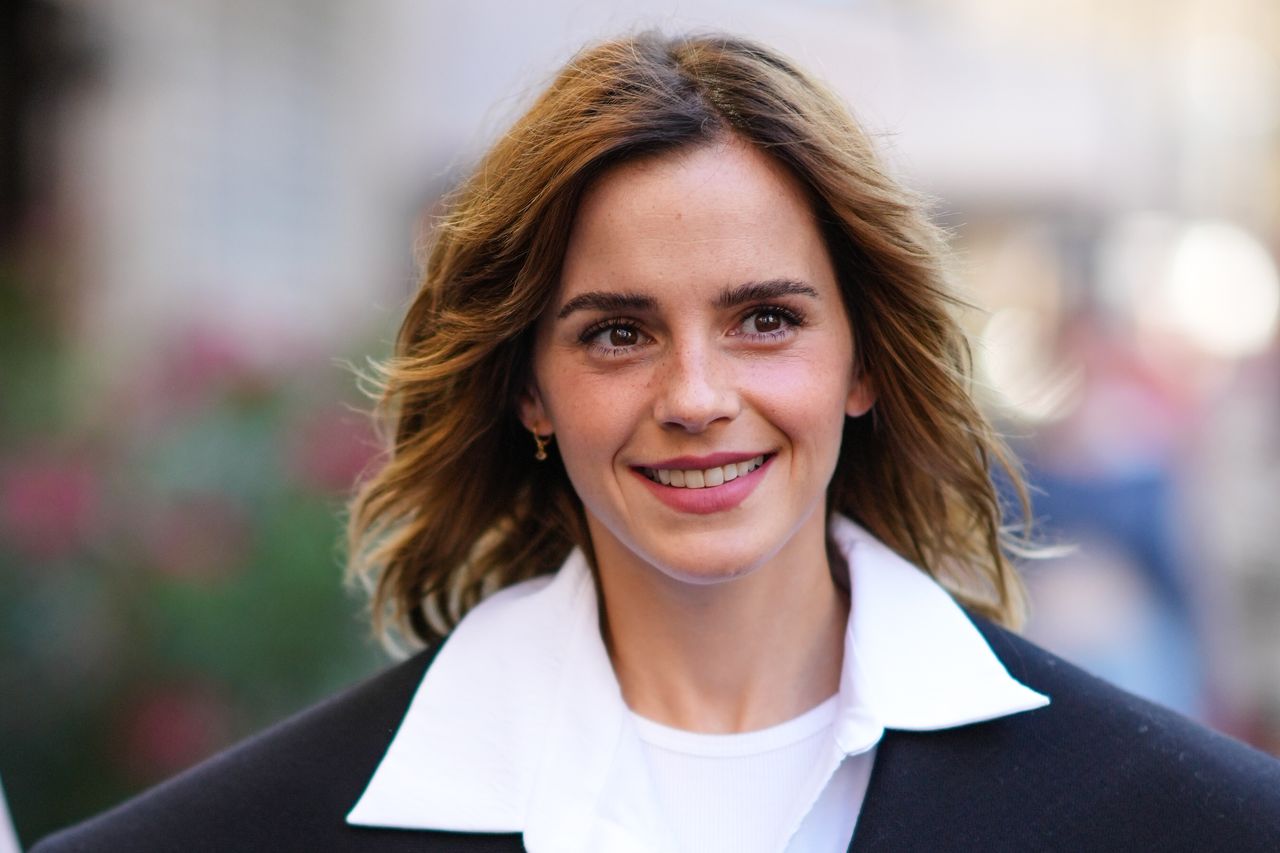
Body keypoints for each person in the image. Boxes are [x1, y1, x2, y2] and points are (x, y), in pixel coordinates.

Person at [33, 31, 1280, 853]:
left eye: (764, 320)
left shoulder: (1198, 825)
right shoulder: (237, 838)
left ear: (861, 363)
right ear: (527, 386)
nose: (695, 393)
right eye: (617, 333)